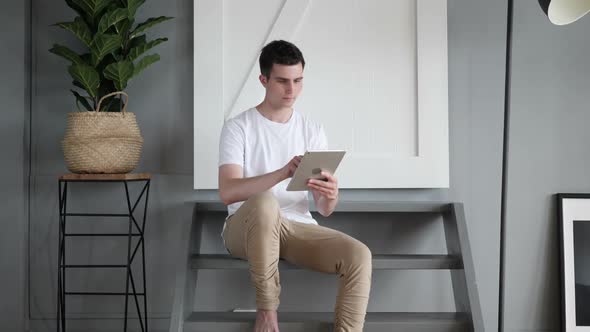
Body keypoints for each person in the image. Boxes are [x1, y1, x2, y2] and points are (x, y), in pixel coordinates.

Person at [218, 40, 372, 332]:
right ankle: (266, 313)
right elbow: (228, 192)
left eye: (298, 81)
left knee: (359, 255)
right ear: (263, 80)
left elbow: (324, 211)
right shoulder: (239, 127)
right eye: (282, 81)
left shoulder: (311, 130)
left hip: (296, 226)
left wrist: (330, 195)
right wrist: (281, 173)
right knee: (265, 203)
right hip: (247, 228)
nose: (292, 90)